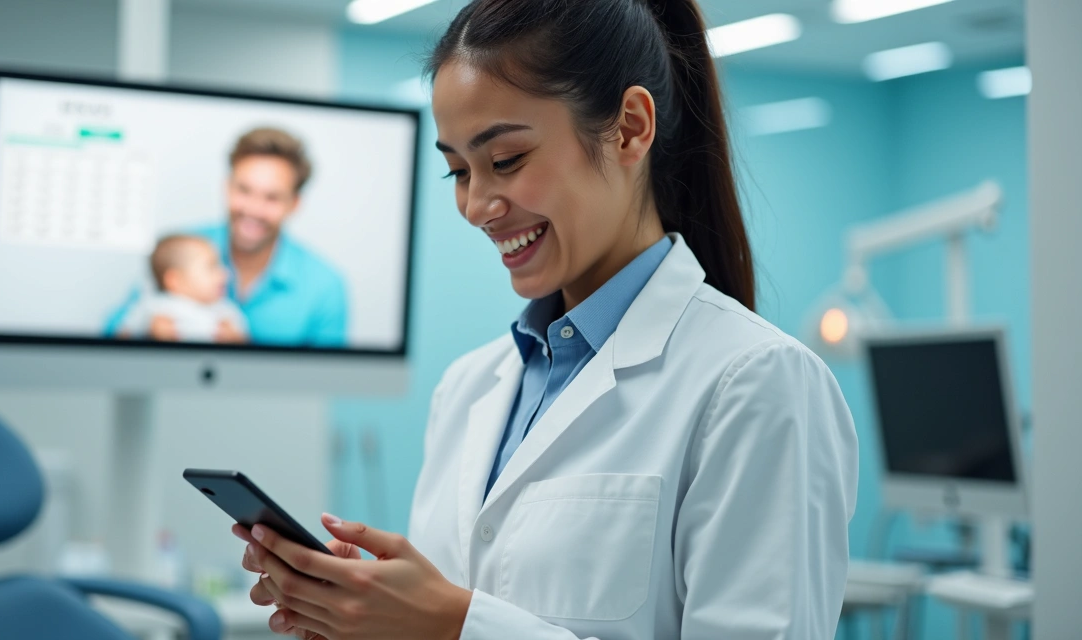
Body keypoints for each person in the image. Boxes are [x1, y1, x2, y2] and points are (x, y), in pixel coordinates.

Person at [233, 0, 859, 638]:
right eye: (458, 171)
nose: (477, 205)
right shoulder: (466, 388)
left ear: (629, 129)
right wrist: (366, 621)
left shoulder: (758, 384)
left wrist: (451, 624)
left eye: (505, 160)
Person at [107, 127, 349, 347]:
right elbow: (110, 337)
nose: (253, 209)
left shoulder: (325, 286)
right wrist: (149, 332)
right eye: (244, 190)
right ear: (227, 187)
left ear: (294, 204)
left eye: (272, 197)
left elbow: (323, 376)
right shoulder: (178, 250)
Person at [116, 234, 248, 343]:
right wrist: (152, 330)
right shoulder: (155, 307)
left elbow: (246, 347)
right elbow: (122, 339)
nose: (224, 274)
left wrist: (234, 338)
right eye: (212, 267)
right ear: (175, 280)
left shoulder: (225, 311)